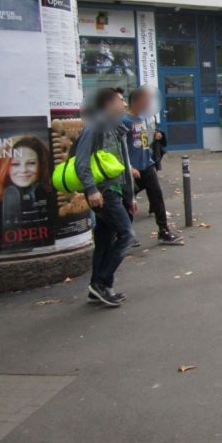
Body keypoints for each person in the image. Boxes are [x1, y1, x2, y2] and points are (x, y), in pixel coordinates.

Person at [75, 88, 136, 307]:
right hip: (103, 193)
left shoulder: (116, 128)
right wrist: (91, 189)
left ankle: (97, 288)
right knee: (127, 234)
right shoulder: (95, 127)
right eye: (120, 101)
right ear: (109, 104)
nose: (124, 105)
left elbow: (122, 165)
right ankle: (102, 283)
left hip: (114, 192)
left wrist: (130, 196)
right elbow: (81, 162)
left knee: (103, 241)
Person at [123, 86, 183, 246]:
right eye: (146, 100)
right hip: (131, 169)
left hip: (147, 165)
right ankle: (126, 234)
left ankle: (163, 231)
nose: (149, 103)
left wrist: (153, 137)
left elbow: (142, 142)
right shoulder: (124, 121)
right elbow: (120, 147)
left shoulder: (142, 119)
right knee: (127, 201)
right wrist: (128, 166)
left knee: (156, 196)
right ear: (136, 101)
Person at [0, 136, 53, 251]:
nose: (23, 170)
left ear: (42, 165)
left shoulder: (52, 198)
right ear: (5, 167)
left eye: (31, 163)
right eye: (15, 164)